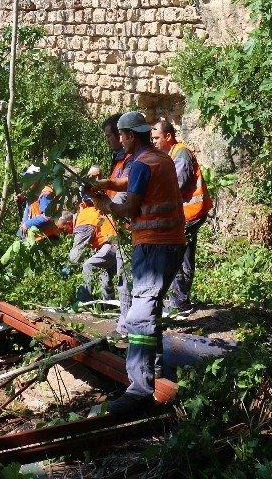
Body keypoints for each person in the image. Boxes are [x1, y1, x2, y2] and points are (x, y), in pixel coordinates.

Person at [92, 111, 185, 418]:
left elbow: (130, 205)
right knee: (150, 307)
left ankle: (139, 390)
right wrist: (108, 183)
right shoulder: (159, 158)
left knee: (140, 314)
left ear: (130, 136)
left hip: (156, 245)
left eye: (120, 135)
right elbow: (131, 182)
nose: (118, 140)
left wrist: (102, 202)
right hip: (166, 243)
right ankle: (153, 370)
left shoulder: (144, 164)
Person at [151, 121, 213, 316]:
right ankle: (181, 302)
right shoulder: (172, 154)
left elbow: (176, 185)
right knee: (183, 255)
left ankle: (180, 303)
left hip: (190, 213)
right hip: (187, 213)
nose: (153, 142)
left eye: (156, 138)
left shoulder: (181, 153)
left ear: (168, 137)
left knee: (174, 253)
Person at [93, 115, 139, 339]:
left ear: (123, 136)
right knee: (123, 279)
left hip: (128, 229)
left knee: (125, 279)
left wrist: (108, 202)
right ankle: (125, 324)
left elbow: (125, 196)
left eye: (111, 135)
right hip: (118, 228)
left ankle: (127, 328)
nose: (109, 140)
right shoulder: (119, 160)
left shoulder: (132, 162)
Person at [65, 168, 119, 303]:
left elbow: (77, 252)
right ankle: (109, 308)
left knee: (88, 266)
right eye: (90, 176)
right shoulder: (92, 204)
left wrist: (65, 271)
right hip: (109, 243)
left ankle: (84, 302)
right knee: (106, 277)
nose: (93, 179)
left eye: (96, 176)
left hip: (111, 243)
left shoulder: (92, 209)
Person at [17, 165, 61, 240]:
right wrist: (23, 199)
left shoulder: (45, 193)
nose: (27, 181)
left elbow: (47, 216)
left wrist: (27, 224)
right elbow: (34, 207)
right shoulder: (35, 192)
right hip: (37, 236)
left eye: (29, 178)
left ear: (37, 178)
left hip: (46, 236)